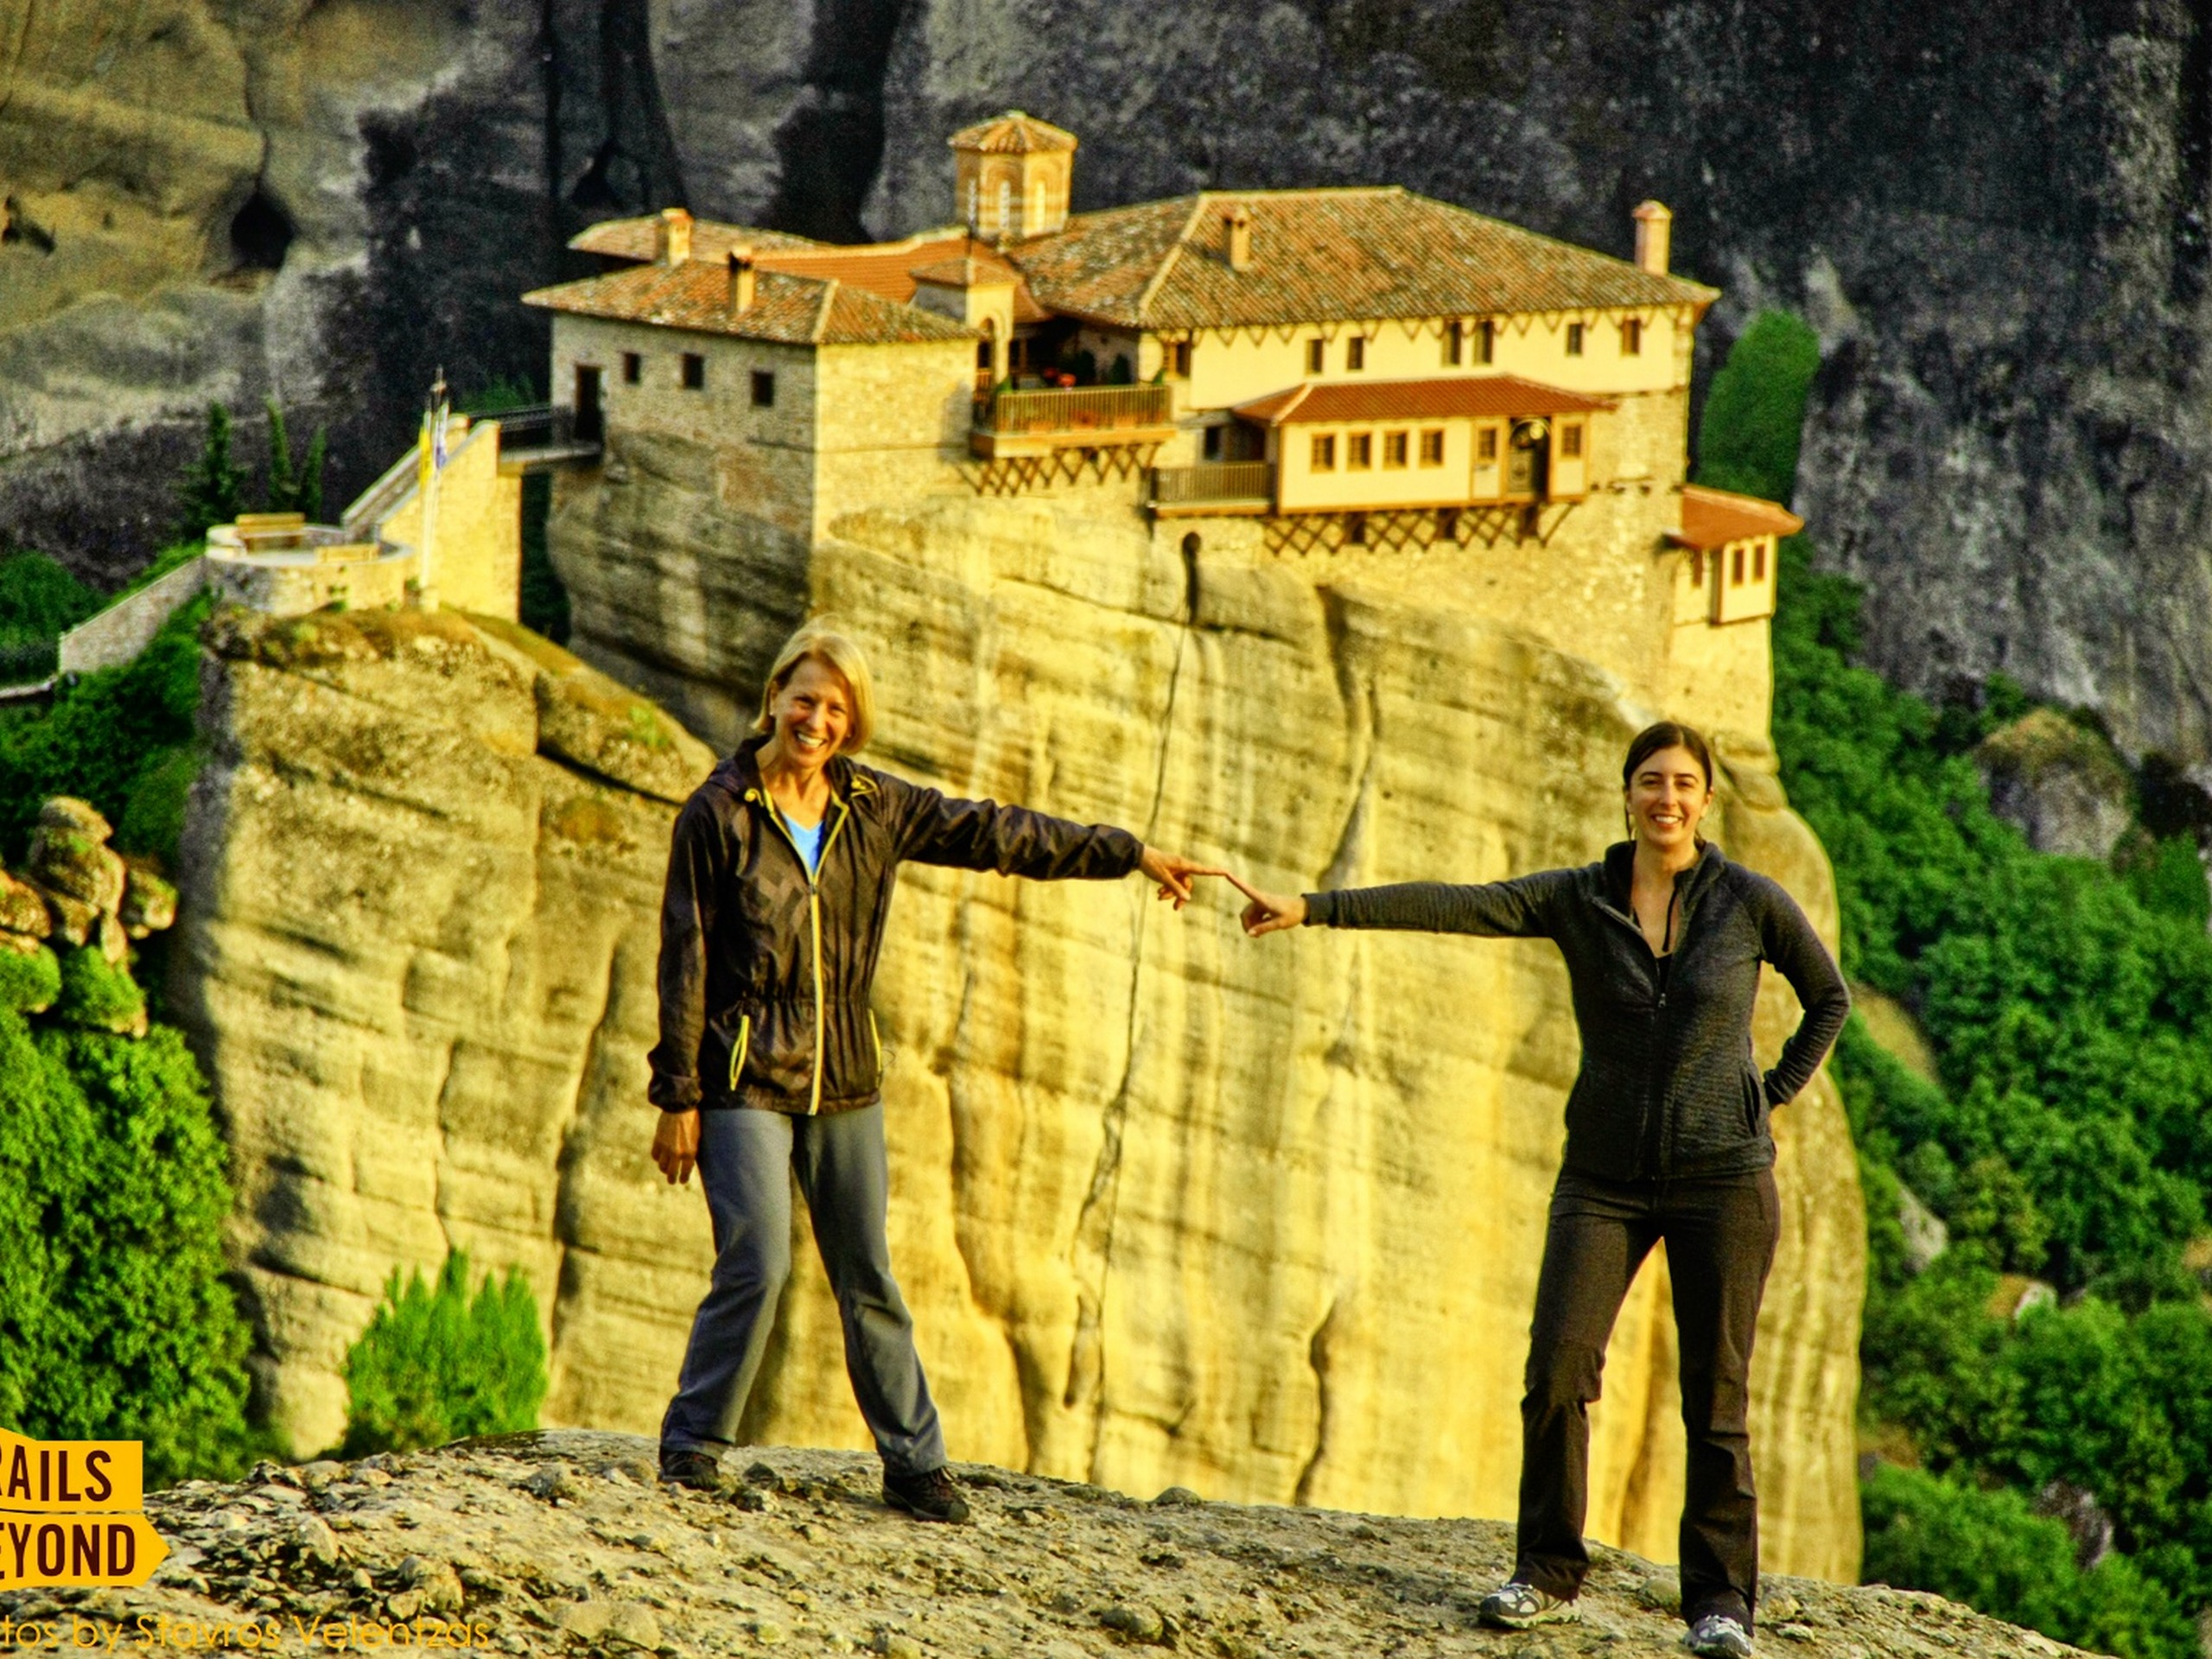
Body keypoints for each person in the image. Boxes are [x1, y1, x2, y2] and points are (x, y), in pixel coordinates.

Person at [1228, 721, 1847, 1659]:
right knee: (1557, 1371)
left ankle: (1719, 1604)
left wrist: (1766, 1097)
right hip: (1600, 1176)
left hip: (1721, 1179)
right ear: (1626, 795)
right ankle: (1547, 1570)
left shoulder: (1750, 903)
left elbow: (1827, 997)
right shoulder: (1576, 898)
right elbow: (1457, 904)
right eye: (1650, 782)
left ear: (1706, 801)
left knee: (1714, 1402)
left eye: (1682, 784)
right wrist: (1313, 908)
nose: (1666, 799)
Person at [648, 620, 1220, 1523]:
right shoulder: (716, 813)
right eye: (805, 698)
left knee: (866, 1271)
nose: (817, 719)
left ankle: (914, 1466)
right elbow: (684, 955)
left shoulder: (872, 805)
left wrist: (1127, 852)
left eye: (837, 708)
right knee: (757, 1260)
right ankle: (693, 1447)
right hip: (744, 1078)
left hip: (844, 1082)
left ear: (853, 723)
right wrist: (676, 1097)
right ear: (774, 697)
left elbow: (998, 833)